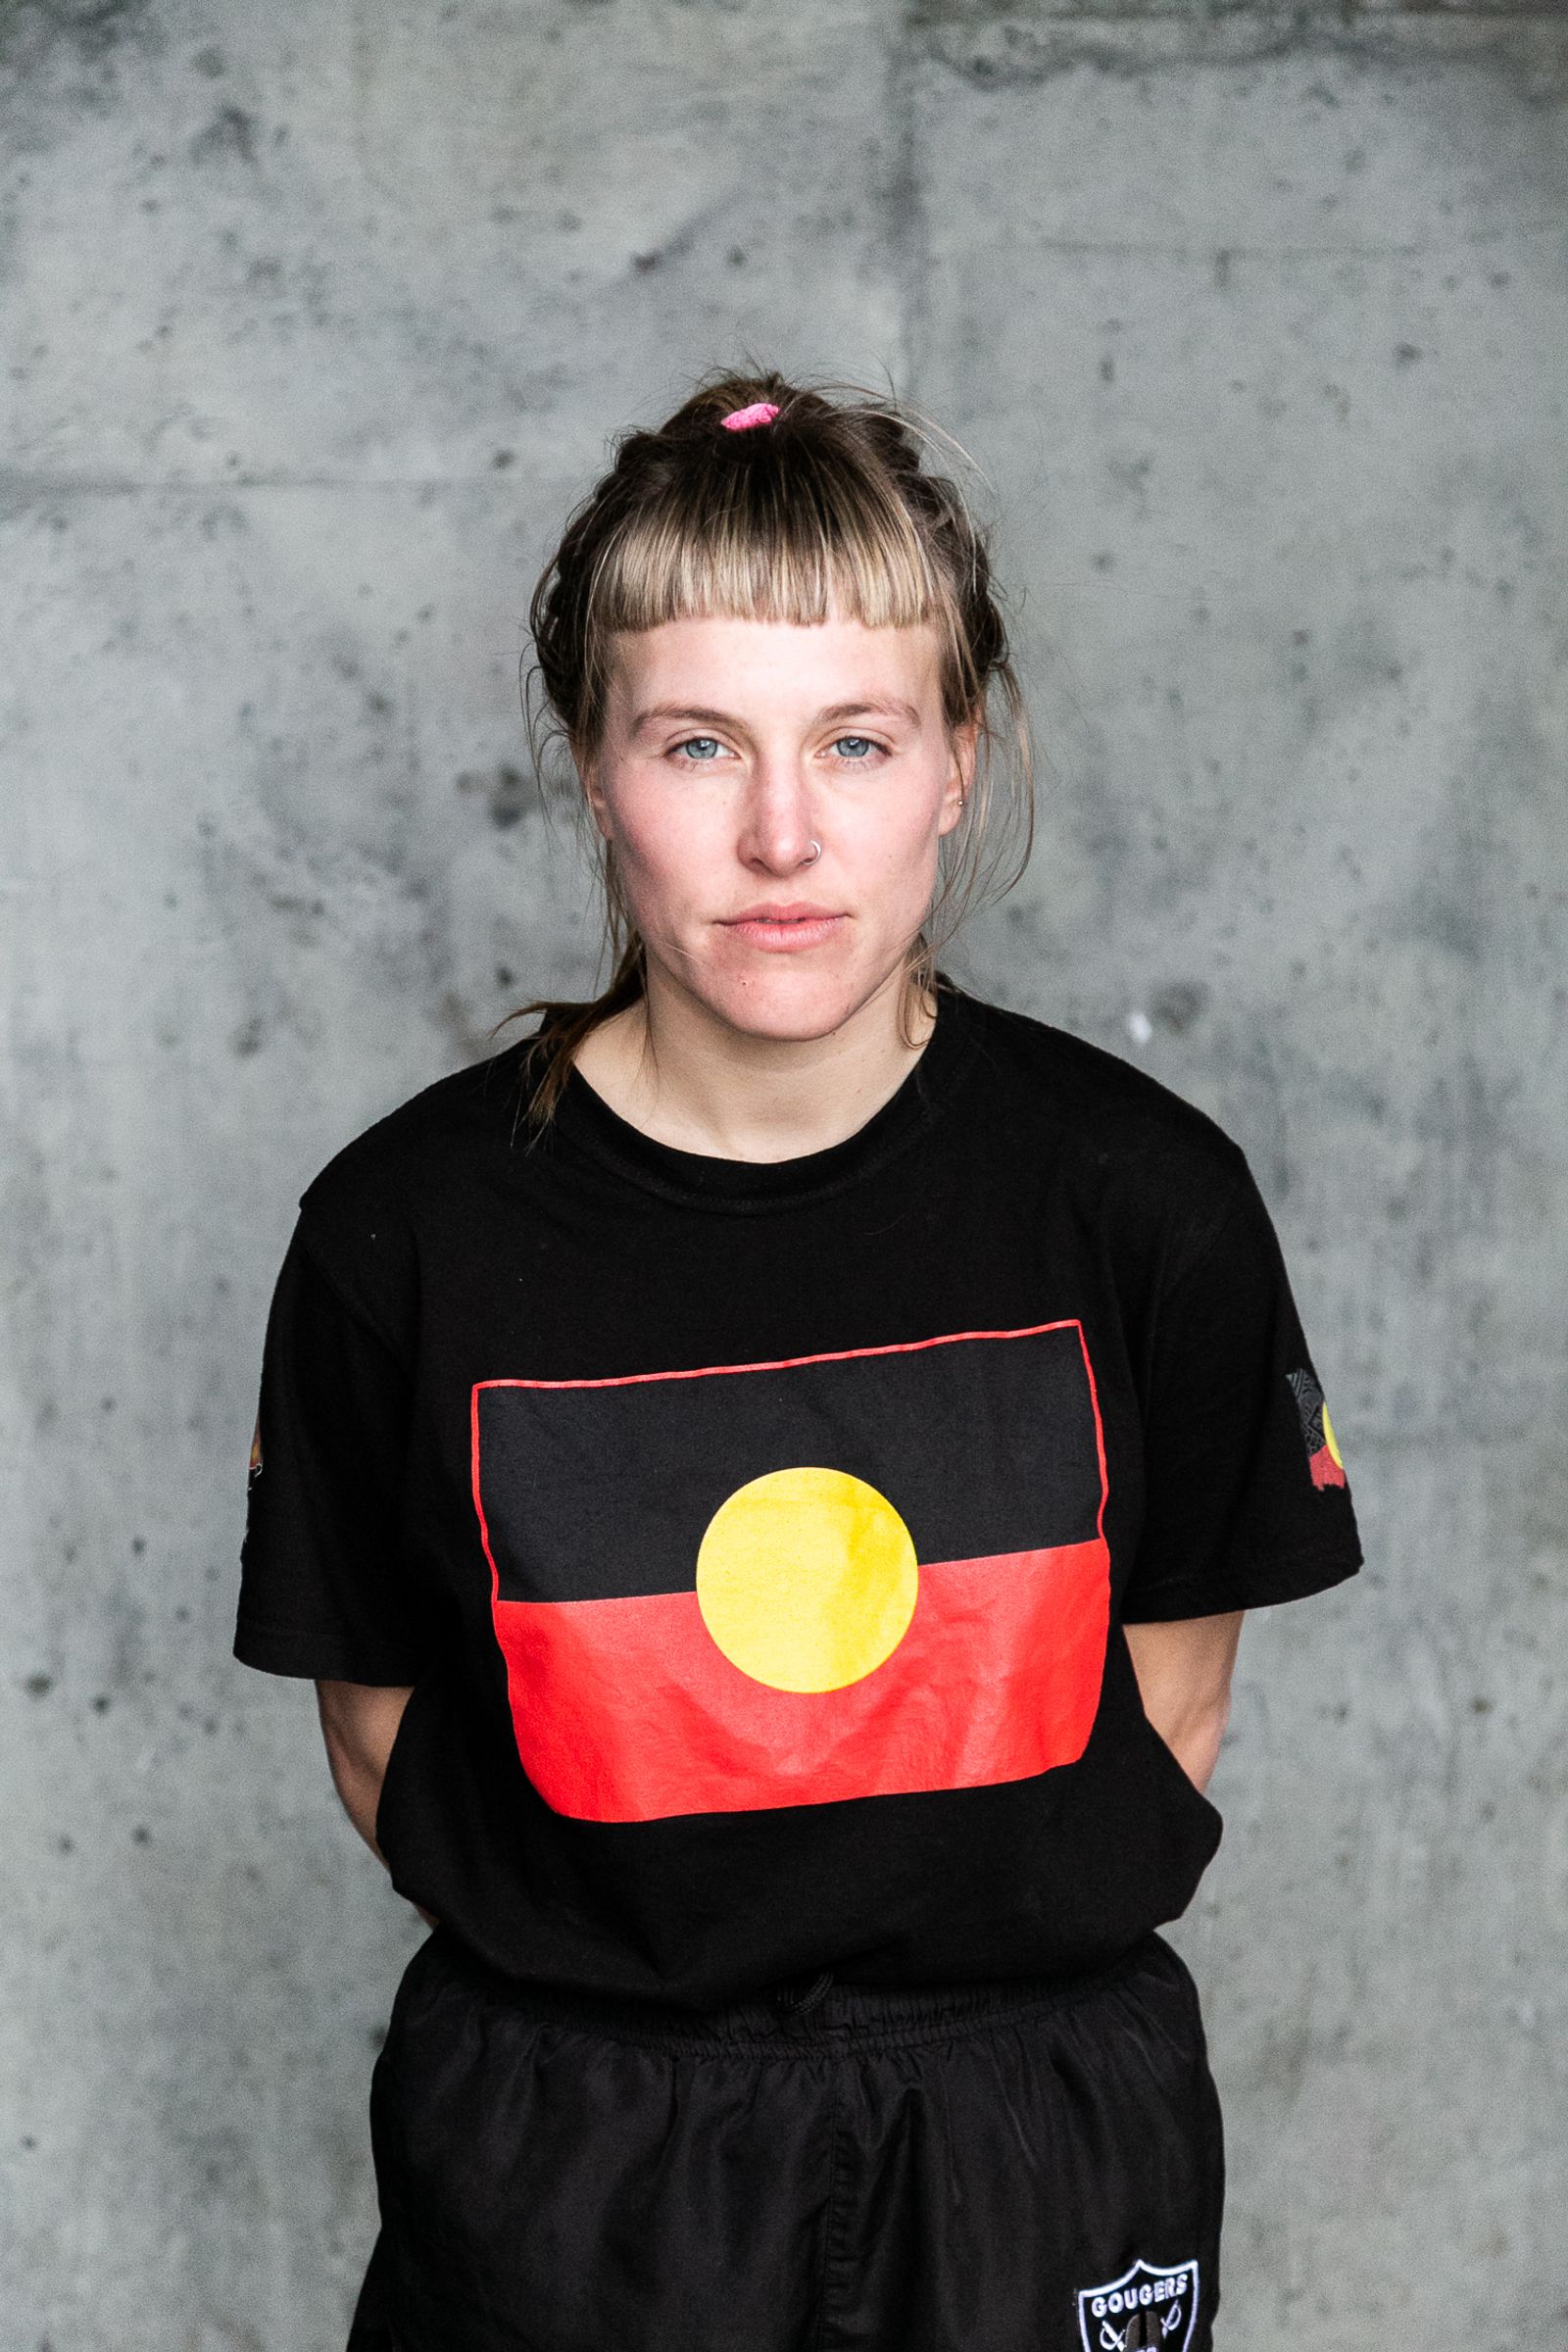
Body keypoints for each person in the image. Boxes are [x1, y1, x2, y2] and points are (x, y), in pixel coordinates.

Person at [234, 370, 1362, 2352]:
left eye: (852, 740)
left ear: (954, 761)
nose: (779, 832)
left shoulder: (1141, 1200)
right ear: (592, 767)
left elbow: (1164, 1708)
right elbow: (378, 1738)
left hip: (1031, 2129)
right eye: (696, 741)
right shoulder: (404, 1234)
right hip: (577, 2146)